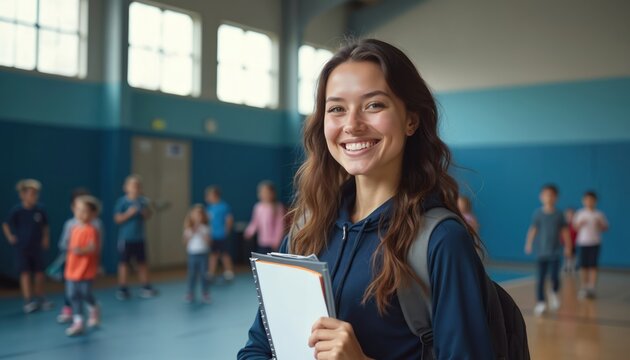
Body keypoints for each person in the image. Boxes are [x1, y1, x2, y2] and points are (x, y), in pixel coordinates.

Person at [238, 39, 494, 359]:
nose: (352, 125)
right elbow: (259, 347)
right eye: (337, 109)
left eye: (374, 105)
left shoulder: (440, 241)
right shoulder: (308, 229)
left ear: (411, 120)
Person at [2, 179, 53, 313]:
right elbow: (6, 224)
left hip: (36, 247)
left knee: (39, 273)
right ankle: (28, 300)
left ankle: (40, 297)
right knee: (24, 273)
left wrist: (46, 239)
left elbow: (45, 226)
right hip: (22, 248)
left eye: (36, 194)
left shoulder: (40, 210)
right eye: (31, 194)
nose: (34, 197)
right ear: (23, 195)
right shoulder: (17, 211)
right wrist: (10, 237)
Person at [56, 188, 104, 323]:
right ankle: (78, 321)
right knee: (72, 294)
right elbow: (65, 244)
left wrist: (82, 251)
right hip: (72, 267)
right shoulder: (71, 226)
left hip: (87, 268)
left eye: (84, 210)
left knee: (84, 293)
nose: (80, 213)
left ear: (92, 213)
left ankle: (94, 307)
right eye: (78, 209)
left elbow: (94, 247)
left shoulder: (93, 228)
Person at [524, 184, 571, 316]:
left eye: (551, 195)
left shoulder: (559, 214)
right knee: (540, 278)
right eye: (546, 195)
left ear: (556, 197)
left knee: (555, 277)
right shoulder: (538, 213)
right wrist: (528, 243)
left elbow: (565, 231)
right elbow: (533, 229)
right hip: (541, 253)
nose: (548, 197)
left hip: (555, 252)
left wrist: (568, 247)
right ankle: (541, 302)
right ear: (541, 197)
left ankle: (554, 291)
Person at [113, 175, 157, 300]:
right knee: (124, 264)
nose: (135, 188)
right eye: (132, 186)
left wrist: (145, 213)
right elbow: (117, 219)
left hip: (140, 238)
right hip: (126, 239)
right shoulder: (122, 202)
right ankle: (123, 288)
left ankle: (146, 287)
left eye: (137, 186)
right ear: (125, 188)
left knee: (142, 263)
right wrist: (128, 213)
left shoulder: (142, 201)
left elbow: (149, 215)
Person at [573, 191, 608, 299]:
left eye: (591, 200)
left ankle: (592, 287)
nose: (589, 202)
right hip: (583, 243)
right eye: (587, 200)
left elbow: (605, 227)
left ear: (595, 201)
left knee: (593, 266)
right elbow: (574, 227)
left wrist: (600, 224)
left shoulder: (599, 214)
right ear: (583, 201)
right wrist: (579, 224)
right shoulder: (580, 213)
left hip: (595, 243)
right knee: (583, 266)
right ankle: (584, 287)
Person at [244, 181, 286, 254]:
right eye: (262, 192)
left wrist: (276, 241)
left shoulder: (278, 207)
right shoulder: (258, 207)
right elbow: (255, 222)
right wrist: (249, 232)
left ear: (272, 194)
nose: (264, 194)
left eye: (266, 192)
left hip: (274, 244)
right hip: (262, 242)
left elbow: (280, 226)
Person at [183, 204, 212, 303]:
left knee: (204, 274)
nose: (197, 217)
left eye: (199, 215)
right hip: (192, 254)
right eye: (195, 215)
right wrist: (193, 230)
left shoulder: (205, 228)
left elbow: (209, 241)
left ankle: (205, 292)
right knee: (192, 275)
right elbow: (185, 241)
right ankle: (190, 292)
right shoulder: (189, 228)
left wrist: (202, 233)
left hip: (203, 254)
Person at [205, 186, 235, 282]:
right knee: (213, 255)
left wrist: (227, 231)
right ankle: (211, 274)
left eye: (209, 195)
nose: (207, 197)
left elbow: (229, 220)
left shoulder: (224, 206)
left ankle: (229, 273)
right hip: (212, 236)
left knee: (224, 254)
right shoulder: (209, 208)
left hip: (222, 235)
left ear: (215, 195)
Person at [563, 207, 578, 273]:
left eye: (572, 214)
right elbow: (562, 233)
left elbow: (577, 233)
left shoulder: (575, 224)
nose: (570, 216)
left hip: (574, 242)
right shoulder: (564, 224)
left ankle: (573, 267)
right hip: (566, 242)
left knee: (573, 255)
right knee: (566, 254)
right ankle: (566, 266)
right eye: (568, 215)